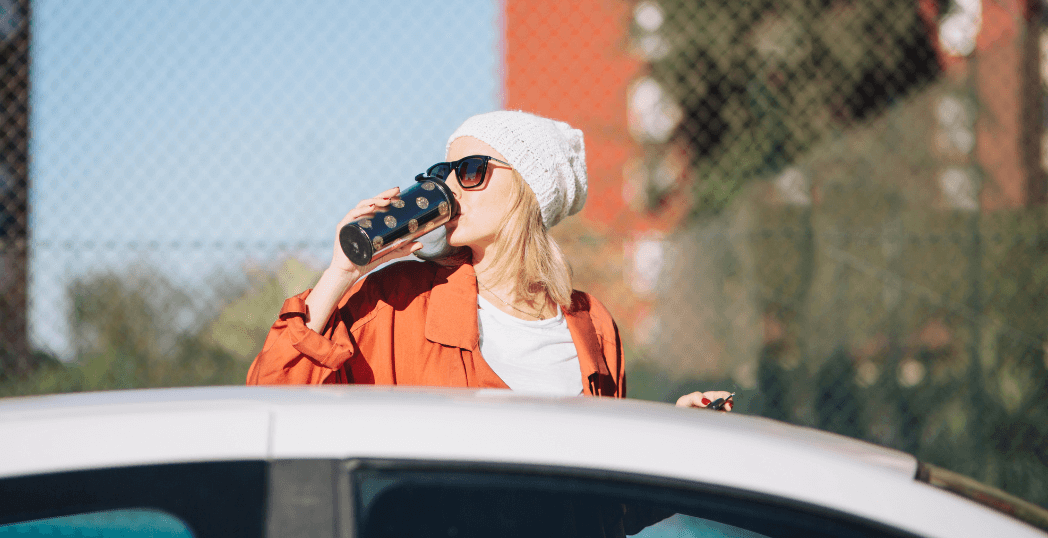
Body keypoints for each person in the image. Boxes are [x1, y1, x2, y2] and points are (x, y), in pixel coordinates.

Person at [247, 110, 731, 409]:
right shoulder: (395, 301)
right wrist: (341, 275)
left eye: (472, 170)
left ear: (528, 191)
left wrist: (677, 432)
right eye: (442, 172)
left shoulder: (592, 324)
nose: (449, 186)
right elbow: (273, 401)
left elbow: (611, 503)